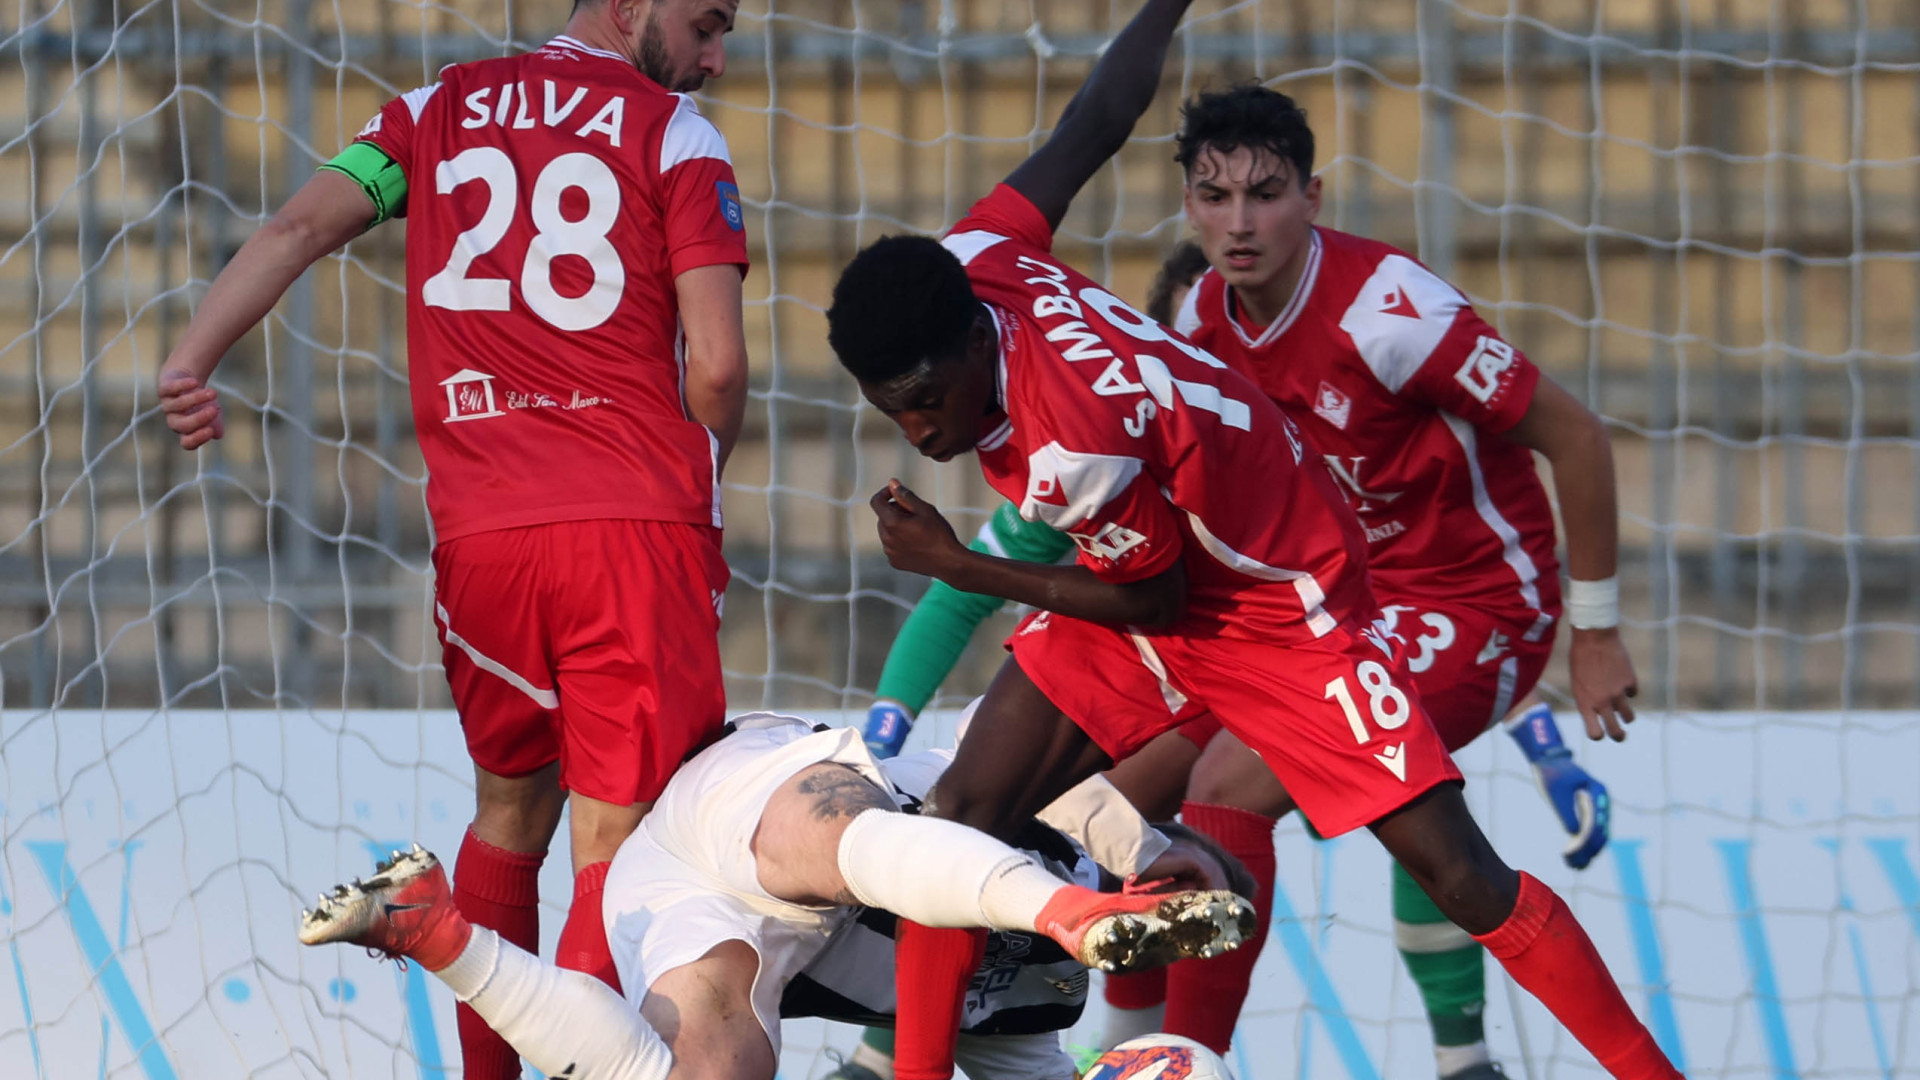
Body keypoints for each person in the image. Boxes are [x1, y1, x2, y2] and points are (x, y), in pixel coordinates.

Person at [822, 0, 1681, 1076]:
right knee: (966, 816)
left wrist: (956, 564)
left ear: (1310, 199)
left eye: (923, 402)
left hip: (1308, 609)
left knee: (1447, 867)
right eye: (1214, 197)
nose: (916, 432)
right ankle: (1042, 1047)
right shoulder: (992, 259)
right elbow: (1095, 120)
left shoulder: (1112, 418)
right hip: (1192, 578)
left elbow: (1154, 602)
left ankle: (1576, 1065)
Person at [159, 0, 750, 1074]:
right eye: (707, 25)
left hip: (480, 542)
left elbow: (296, 228)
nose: (714, 59)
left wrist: (191, 359)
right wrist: (701, 482)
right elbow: (714, 367)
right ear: (628, 6)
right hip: (629, 534)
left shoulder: (429, 116)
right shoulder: (674, 135)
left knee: (508, 817)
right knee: (613, 855)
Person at [1152, 84, 1631, 1075]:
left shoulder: (1390, 312)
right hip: (1337, 610)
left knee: (1228, 785)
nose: (1240, 223)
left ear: (1313, 195)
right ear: (1189, 204)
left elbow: (1576, 437)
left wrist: (1595, 632)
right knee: (1136, 778)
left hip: (1479, 602)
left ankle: (1185, 1056)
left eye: (1266, 193)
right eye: (1215, 196)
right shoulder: (1200, 315)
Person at [297, 709, 1255, 1080]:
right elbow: (942, 919)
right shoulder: (1092, 815)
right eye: (1184, 916)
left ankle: (437, 932)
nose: (1182, 929)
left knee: (705, 1076)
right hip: (763, 798)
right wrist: (1148, 845)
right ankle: (1067, 916)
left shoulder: (1041, 1023)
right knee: (847, 843)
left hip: (717, 905)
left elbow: (1025, 1068)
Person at [834, 240, 1215, 1080]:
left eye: (1218, 336)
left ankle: (1123, 1043)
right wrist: (884, 734)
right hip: (1142, 695)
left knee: (1186, 814)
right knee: (990, 810)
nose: (1202, 352)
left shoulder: (1265, 448)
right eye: (1188, 334)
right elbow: (958, 596)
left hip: (1250, 663)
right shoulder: (1098, 455)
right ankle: (921, 1047)